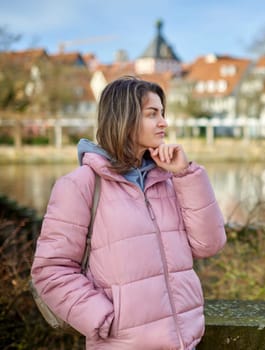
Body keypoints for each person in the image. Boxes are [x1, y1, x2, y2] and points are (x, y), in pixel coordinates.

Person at [31, 76, 227, 349]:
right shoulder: (79, 185)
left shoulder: (170, 179)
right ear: (125, 118)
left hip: (186, 342)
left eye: (162, 113)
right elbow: (51, 271)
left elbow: (209, 244)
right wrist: (103, 319)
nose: (163, 122)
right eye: (152, 114)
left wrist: (186, 174)